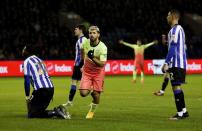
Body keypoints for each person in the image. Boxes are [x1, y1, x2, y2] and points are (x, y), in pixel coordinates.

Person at [22, 44, 70, 119]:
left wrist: (27, 96)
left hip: (42, 90)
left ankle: (55, 112)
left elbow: (27, 80)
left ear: (27, 52)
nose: (23, 51)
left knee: (32, 115)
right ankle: (57, 111)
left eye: (24, 49)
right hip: (50, 89)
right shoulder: (40, 60)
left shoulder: (27, 61)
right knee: (34, 110)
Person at [161, 9, 189, 120]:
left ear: (173, 16)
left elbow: (173, 48)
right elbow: (175, 45)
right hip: (180, 63)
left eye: (168, 15)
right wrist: (167, 42)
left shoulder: (174, 30)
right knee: (176, 87)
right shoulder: (179, 29)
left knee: (176, 86)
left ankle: (179, 114)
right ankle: (184, 111)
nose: (166, 17)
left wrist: (166, 63)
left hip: (176, 63)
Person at [79, 26, 107, 119]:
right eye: (90, 33)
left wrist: (93, 58)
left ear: (98, 34)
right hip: (87, 72)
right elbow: (82, 50)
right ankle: (91, 87)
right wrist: (83, 62)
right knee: (83, 93)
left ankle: (92, 111)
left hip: (98, 72)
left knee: (95, 94)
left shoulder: (102, 47)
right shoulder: (86, 42)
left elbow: (102, 64)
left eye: (94, 33)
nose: (92, 35)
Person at [63, 24, 87, 107]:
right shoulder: (84, 40)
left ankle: (70, 101)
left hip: (79, 64)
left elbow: (83, 52)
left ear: (81, 30)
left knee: (74, 82)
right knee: (77, 82)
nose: (74, 30)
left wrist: (82, 65)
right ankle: (70, 101)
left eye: (76, 29)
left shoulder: (81, 40)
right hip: (80, 64)